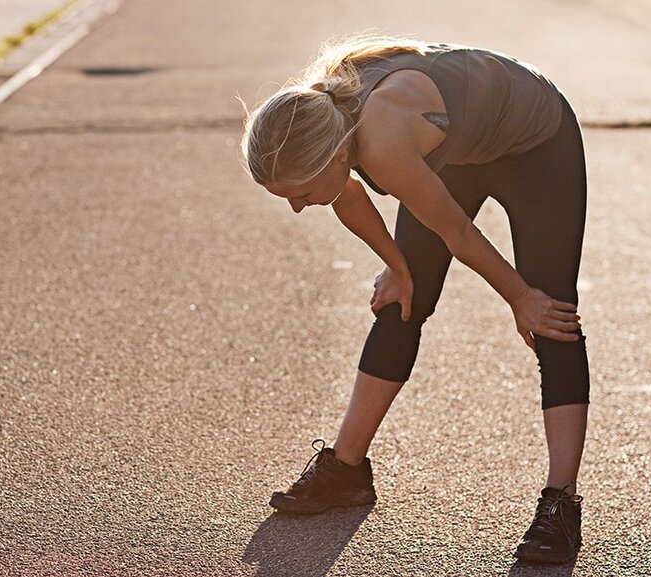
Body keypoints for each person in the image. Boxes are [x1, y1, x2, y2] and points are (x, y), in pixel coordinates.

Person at [238, 35, 590, 565]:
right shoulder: (324, 119)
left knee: (550, 313)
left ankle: (561, 502)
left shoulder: (382, 140)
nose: (296, 208)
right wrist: (399, 269)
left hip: (535, 142)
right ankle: (347, 469)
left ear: (335, 156)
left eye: (299, 194)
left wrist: (520, 298)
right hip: (455, 144)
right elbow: (347, 193)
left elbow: (458, 233)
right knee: (401, 300)